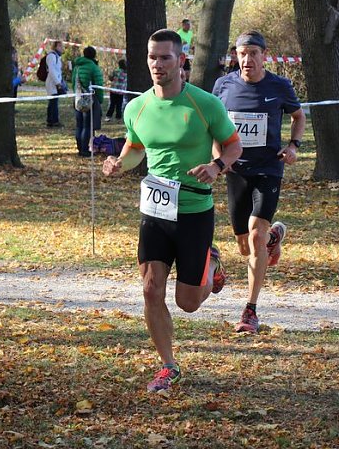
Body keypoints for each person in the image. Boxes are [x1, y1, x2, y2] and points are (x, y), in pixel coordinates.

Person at [102, 29, 242, 393]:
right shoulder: (136, 108)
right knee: (151, 290)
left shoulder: (204, 104)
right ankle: (168, 366)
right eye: (152, 57)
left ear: (180, 61)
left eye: (165, 57)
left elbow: (233, 145)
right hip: (156, 211)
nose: (157, 64)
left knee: (188, 302)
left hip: (195, 211)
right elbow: (135, 148)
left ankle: (212, 264)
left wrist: (216, 166)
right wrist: (118, 163)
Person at [212, 31, 306, 334]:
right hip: (236, 171)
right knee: (245, 246)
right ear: (236, 56)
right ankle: (273, 239)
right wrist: (218, 156)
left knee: (255, 236)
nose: (247, 59)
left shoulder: (279, 86)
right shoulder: (223, 85)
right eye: (242, 53)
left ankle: (250, 310)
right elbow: (214, 124)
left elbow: (298, 116)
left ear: (264, 55)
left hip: (268, 168)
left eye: (253, 53)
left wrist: (293, 146)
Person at [70, 46, 104, 157]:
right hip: (89, 100)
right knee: (87, 126)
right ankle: (85, 150)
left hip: (78, 98)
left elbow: (73, 82)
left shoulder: (77, 67)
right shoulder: (93, 67)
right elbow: (98, 85)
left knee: (79, 125)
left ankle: (80, 148)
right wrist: (100, 99)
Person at [45, 40, 65, 127]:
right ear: (55, 47)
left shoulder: (57, 57)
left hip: (56, 82)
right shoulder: (52, 56)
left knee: (53, 102)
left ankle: (51, 120)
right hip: (52, 83)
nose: (61, 48)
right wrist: (57, 83)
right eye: (60, 46)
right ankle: (53, 121)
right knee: (53, 102)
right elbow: (52, 70)